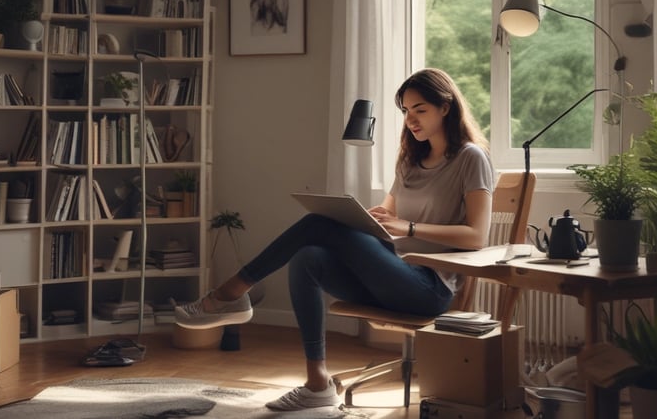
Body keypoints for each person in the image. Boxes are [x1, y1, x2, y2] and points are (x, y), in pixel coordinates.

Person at [175, 68, 495, 411]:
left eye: (420, 110)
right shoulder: (410, 161)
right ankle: (317, 383)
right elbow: (389, 219)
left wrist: (409, 227)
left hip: (429, 287)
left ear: (445, 108)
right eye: (405, 111)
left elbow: (476, 236)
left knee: (316, 224)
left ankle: (230, 294)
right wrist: (372, 220)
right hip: (389, 274)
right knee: (308, 256)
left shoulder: (469, 158)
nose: (411, 119)